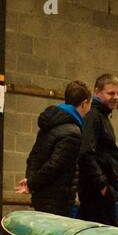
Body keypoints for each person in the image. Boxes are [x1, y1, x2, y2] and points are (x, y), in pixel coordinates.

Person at [21, 80, 90, 216]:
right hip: (57, 200)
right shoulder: (73, 132)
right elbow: (55, 166)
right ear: (84, 103)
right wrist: (32, 183)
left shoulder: (52, 123)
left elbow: (34, 156)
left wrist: (31, 180)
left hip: (42, 196)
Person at [77, 73, 118, 225]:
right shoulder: (94, 116)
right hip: (95, 193)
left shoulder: (103, 116)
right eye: (110, 93)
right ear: (97, 92)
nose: (115, 97)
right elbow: (85, 153)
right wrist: (102, 184)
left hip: (102, 190)